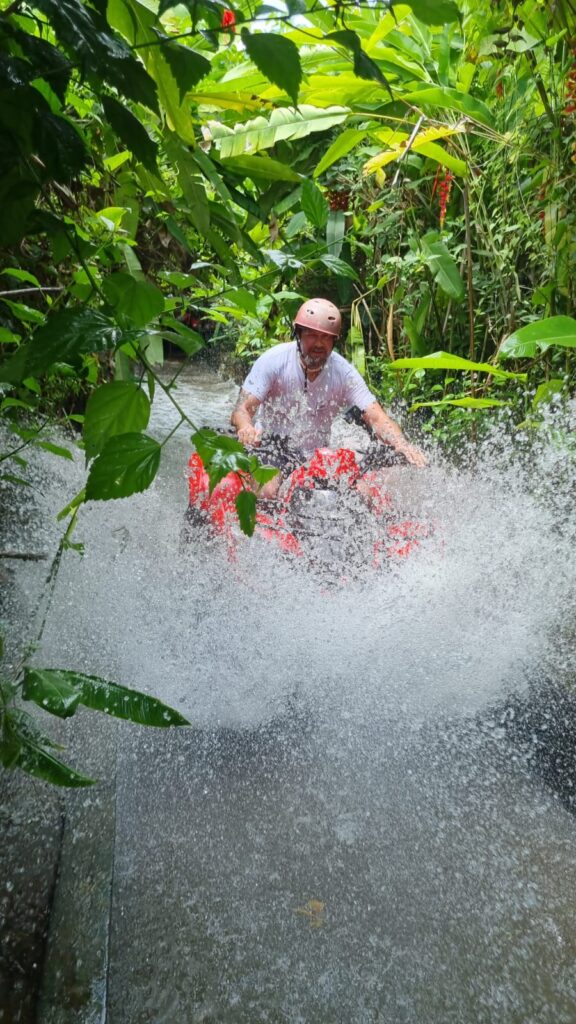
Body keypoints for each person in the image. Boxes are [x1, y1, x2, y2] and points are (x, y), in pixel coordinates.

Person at [231, 297, 426, 497]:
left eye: (325, 337)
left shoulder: (344, 373)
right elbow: (242, 409)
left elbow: (377, 416)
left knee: (363, 493)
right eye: (311, 335)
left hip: (316, 456)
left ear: (334, 341)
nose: (318, 343)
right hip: (273, 449)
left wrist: (401, 444)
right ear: (298, 334)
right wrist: (245, 427)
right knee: (268, 490)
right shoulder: (273, 361)